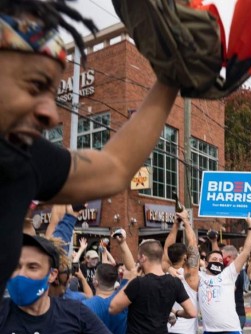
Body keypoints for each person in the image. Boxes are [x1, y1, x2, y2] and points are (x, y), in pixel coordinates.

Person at [0, 0, 181, 294]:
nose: (51, 115)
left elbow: (114, 168)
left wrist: (173, 76)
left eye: (52, 93)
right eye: (34, 86)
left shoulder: (22, 158)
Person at [0, 234, 143, 334]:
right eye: (16, 267)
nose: (21, 274)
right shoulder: (3, 316)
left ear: (52, 275)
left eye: (32, 267)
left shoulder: (74, 312)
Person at [192, 216, 251, 334]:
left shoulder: (229, 274)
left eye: (221, 258)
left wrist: (250, 228)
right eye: (214, 257)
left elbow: (245, 253)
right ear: (207, 261)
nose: (218, 260)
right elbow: (193, 253)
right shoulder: (201, 277)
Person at [162, 210, 200, 334]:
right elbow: (193, 246)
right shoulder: (190, 274)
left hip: (168, 331)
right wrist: (186, 221)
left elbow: (167, 249)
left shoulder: (165, 269)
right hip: (186, 333)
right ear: (185, 257)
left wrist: (175, 225)